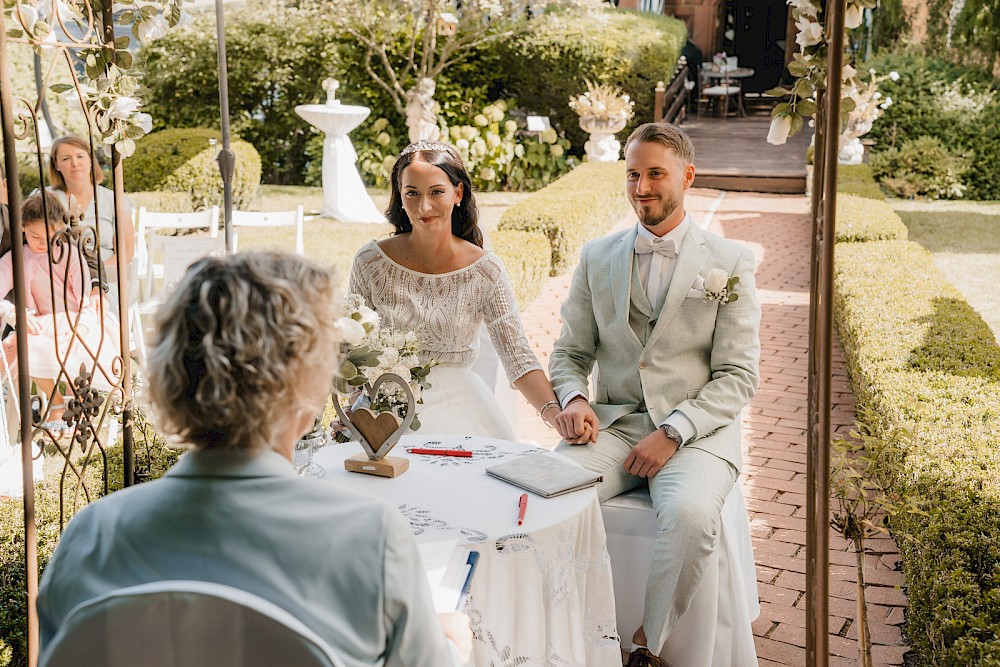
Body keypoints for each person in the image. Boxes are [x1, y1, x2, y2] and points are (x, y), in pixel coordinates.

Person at [37, 252, 473, 666]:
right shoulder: (371, 540)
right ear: (307, 392)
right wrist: (450, 646)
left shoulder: (90, 539)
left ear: (168, 380)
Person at [549, 122, 761, 666]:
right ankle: (564, 633)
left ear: (687, 176)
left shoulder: (730, 261)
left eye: (655, 174)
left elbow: (738, 375)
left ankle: (648, 645)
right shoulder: (597, 257)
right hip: (615, 426)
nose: (641, 188)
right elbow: (570, 352)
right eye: (632, 175)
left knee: (689, 516)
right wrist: (574, 399)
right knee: (547, 493)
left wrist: (673, 432)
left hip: (697, 434)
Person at [349, 140, 561, 440]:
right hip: (385, 409)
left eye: (436, 192)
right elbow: (354, 350)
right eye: (412, 193)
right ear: (400, 195)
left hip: (462, 409)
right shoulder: (370, 261)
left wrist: (556, 415)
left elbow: (517, 356)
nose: (423, 206)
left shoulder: (486, 270)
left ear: (458, 193)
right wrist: (355, 411)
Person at [0, 191, 120, 420]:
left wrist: (71, 326)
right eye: (35, 236)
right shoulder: (17, 258)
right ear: (23, 227)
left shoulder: (70, 255)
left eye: (49, 236)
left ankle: (75, 408)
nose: (43, 243)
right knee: (25, 344)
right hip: (41, 326)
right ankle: (56, 404)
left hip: (79, 321)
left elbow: (86, 305)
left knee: (74, 347)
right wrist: (12, 312)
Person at [46, 135, 135, 304]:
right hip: (58, 279)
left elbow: (126, 252)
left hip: (107, 277)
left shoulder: (113, 199)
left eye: (80, 156)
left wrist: (94, 275)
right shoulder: (45, 198)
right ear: (56, 165)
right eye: (66, 158)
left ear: (90, 160)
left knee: (103, 306)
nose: (74, 163)